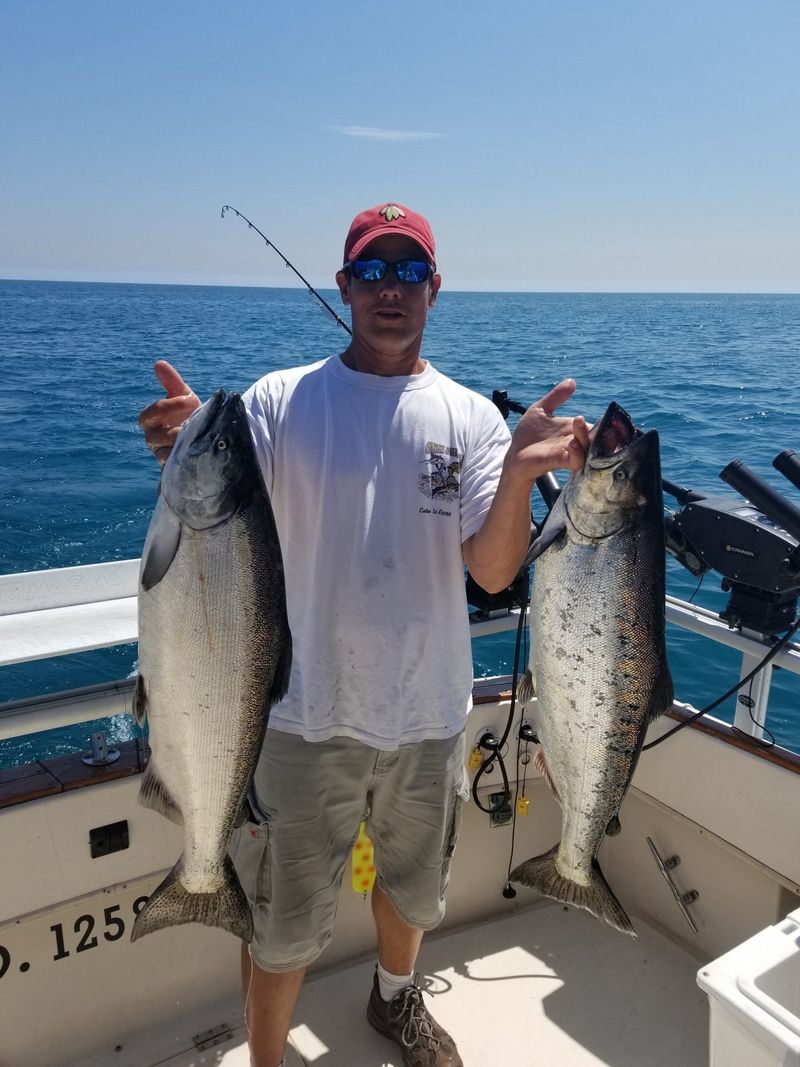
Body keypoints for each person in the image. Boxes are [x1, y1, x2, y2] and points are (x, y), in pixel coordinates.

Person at [139, 202, 589, 1067]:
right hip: (300, 718)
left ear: (435, 288)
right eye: (373, 271)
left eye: (409, 270)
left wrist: (524, 477)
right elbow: (214, 509)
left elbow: (494, 572)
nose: (392, 288)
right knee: (279, 926)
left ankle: (395, 1001)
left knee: (414, 895)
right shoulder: (277, 402)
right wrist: (185, 439)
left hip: (426, 713)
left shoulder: (470, 418)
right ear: (345, 285)